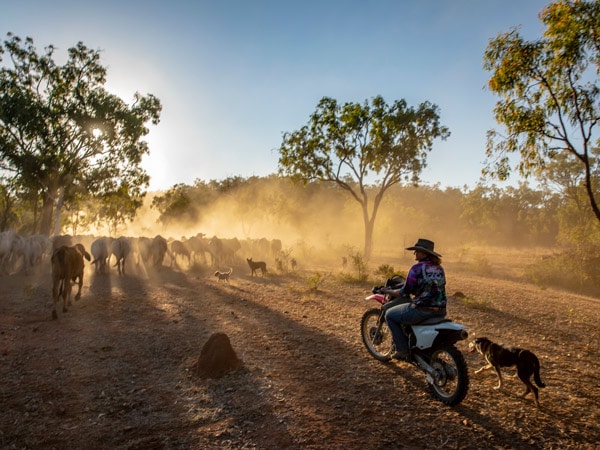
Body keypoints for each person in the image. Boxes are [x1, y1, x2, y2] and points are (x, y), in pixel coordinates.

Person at [382, 238, 447, 361]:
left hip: (422, 310)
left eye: (417, 251)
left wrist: (388, 291)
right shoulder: (439, 268)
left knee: (390, 315)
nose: (414, 253)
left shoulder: (416, 268)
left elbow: (404, 292)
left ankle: (402, 350)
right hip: (441, 310)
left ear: (424, 253)